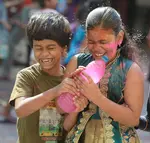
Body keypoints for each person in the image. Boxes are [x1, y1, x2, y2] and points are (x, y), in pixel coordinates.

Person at [63, 7, 144, 143]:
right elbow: (63, 116)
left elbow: (133, 118)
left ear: (119, 38)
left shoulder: (131, 70)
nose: (96, 48)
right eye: (91, 42)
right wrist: (73, 97)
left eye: (103, 42)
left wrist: (96, 97)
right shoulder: (76, 62)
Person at [8, 12, 88, 143]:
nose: (44, 54)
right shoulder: (27, 76)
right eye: (38, 48)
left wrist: (75, 110)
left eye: (51, 48)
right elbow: (20, 109)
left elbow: (66, 127)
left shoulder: (70, 81)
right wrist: (56, 91)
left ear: (64, 50)